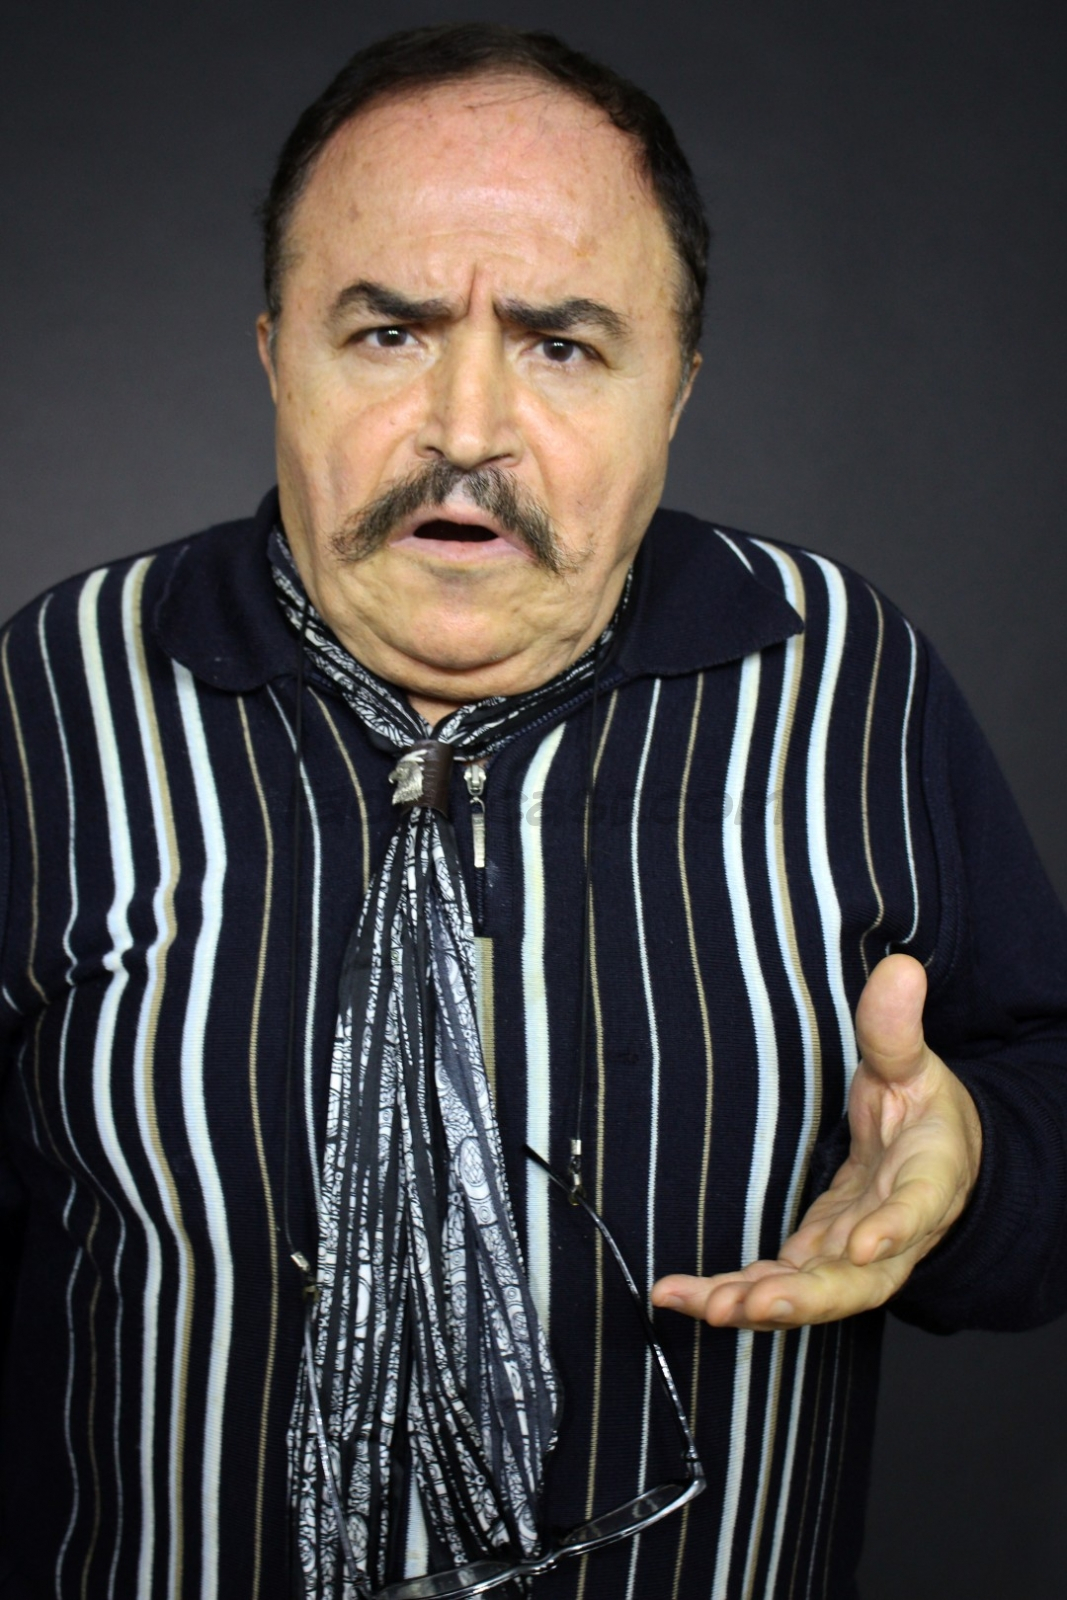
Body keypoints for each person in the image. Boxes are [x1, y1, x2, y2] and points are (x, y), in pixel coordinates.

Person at [1, 21, 1065, 1600]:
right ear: (276, 352)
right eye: (387, 333)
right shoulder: (53, 696)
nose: (467, 427)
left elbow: (1047, 1097)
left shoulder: (848, 680)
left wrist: (973, 1165)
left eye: (563, 345)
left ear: (676, 387)